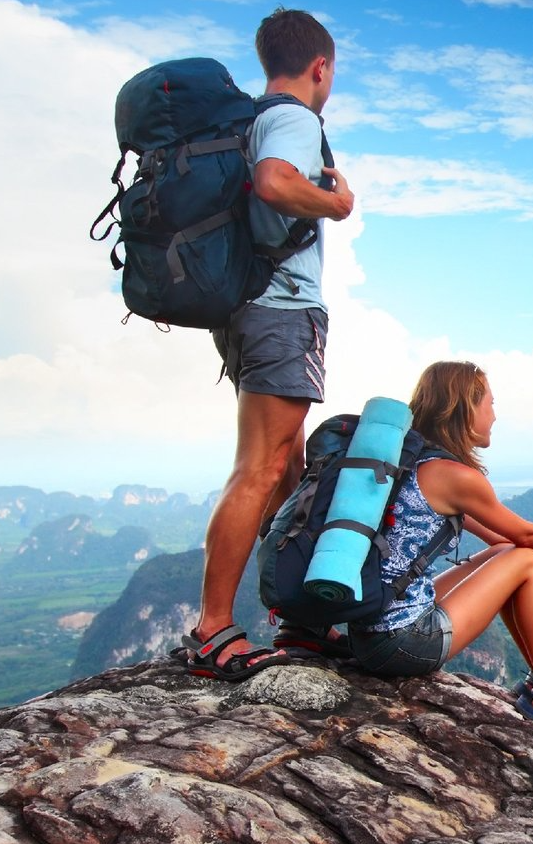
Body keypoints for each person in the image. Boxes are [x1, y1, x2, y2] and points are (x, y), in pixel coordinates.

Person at [281, 361, 533, 739]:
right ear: (466, 408)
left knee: (507, 556)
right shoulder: (455, 477)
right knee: (525, 561)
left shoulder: (410, 462)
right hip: (404, 644)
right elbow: (529, 537)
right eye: (490, 403)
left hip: (370, 631)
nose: (494, 415)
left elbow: (503, 541)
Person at [179, 8, 356, 681]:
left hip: (249, 309)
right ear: (321, 67)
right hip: (279, 310)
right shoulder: (293, 119)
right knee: (261, 468)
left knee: (286, 470)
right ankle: (213, 631)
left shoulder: (251, 120)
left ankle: (297, 619)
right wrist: (336, 204)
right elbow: (275, 181)